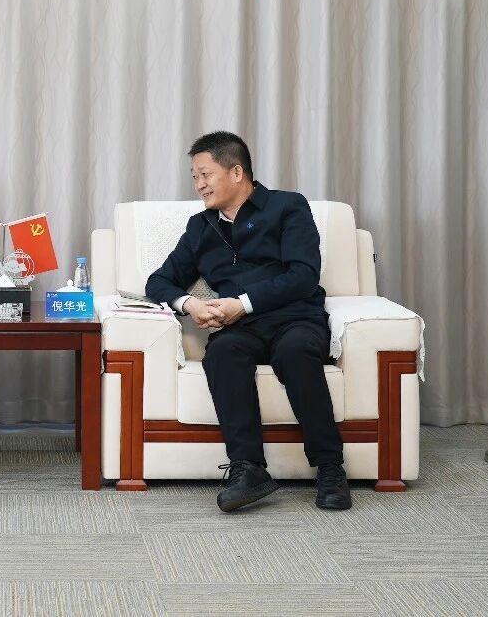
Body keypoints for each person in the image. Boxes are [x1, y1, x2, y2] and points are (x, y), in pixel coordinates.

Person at [146, 131, 351, 512]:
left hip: (295, 318)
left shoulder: (288, 207)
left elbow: (304, 275)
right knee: (222, 354)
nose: (199, 184)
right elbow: (158, 282)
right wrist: (189, 304)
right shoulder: (200, 227)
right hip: (240, 330)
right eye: (194, 176)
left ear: (237, 172)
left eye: (205, 174)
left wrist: (243, 303)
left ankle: (330, 468)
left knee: (295, 352)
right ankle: (248, 468)